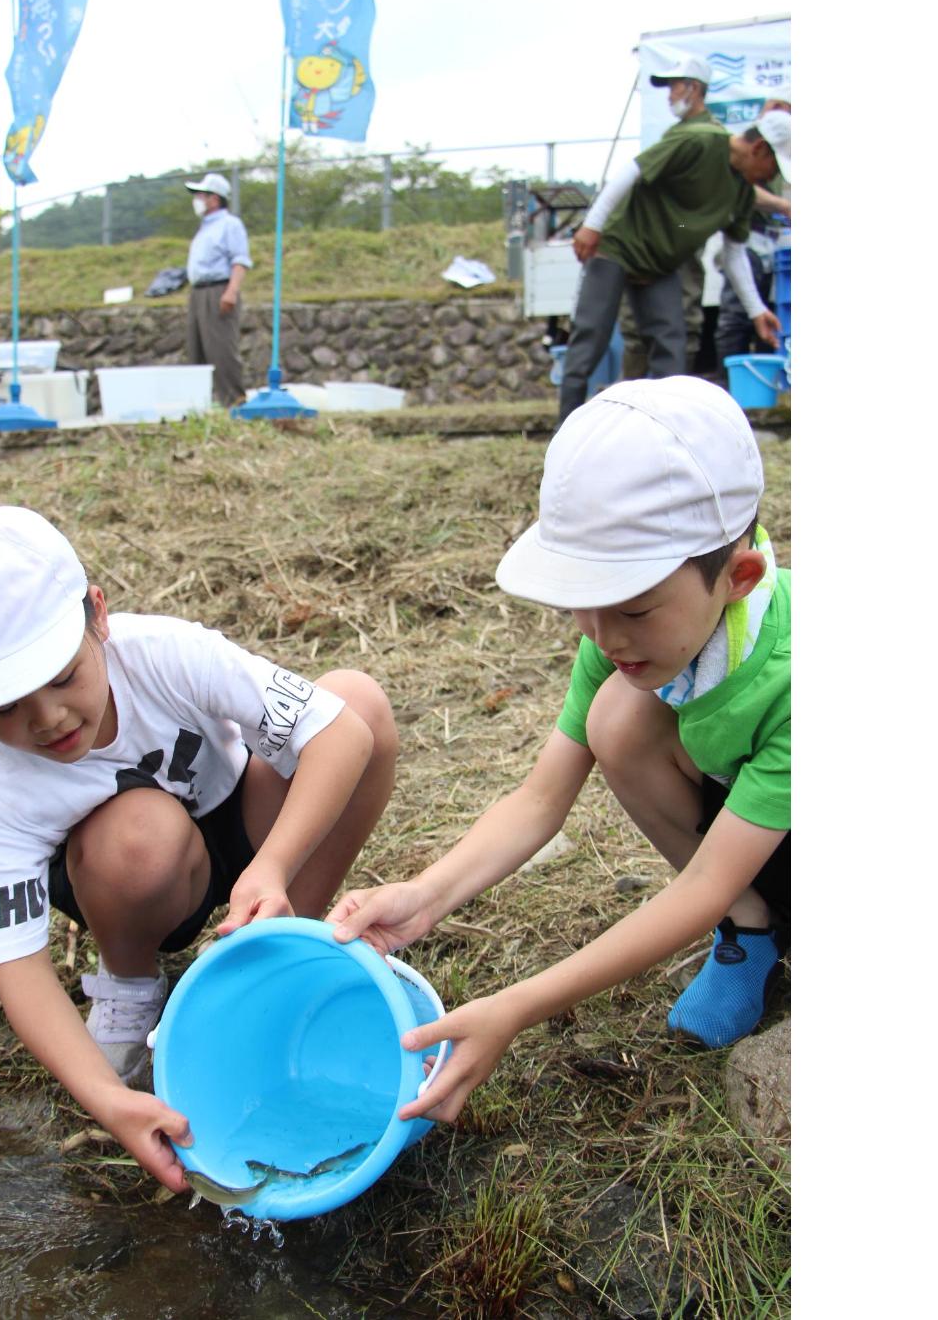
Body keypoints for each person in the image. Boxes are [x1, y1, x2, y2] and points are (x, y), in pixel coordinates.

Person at [329, 377, 791, 1124]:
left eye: (633, 607)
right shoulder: (621, 642)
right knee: (619, 718)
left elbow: (702, 881)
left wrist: (516, 1005)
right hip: (750, 833)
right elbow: (541, 799)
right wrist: (426, 895)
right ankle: (753, 931)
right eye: (583, 601)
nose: (602, 636)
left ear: (738, 578)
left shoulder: (795, 676)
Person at [0, 506, 398, 1193]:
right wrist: (107, 1100)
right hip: (129, 875)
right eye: (3, 707)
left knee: (356, 702)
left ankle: (284, 943)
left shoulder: (163, 654)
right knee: (140, 834)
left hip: (241, 824)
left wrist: (275, 863)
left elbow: (341, 735)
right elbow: (20, 969)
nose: (46, 720)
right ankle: (132, 991)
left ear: (97, 615)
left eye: (62, 676)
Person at [558, 98, 787, 429]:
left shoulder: (741, 193)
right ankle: (565, 432)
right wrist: (592, 224)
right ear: (761, 149)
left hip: (660, 265)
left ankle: (667, 434)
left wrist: (756, 310)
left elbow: (735, 254)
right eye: (775, 169)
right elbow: (632, 171)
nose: (772, 177)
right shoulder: (700, 140)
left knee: (672, 347)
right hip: (619, 246)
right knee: (590, 340)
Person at [618, 58, 718, 381]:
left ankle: (676, 401)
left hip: (682, 232)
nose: (669, 94)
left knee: (684, 319)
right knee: (636, 326)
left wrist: (683, 231)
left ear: (694, 88)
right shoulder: (675, 133)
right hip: (650, 241)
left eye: (675, 85)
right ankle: (629, 403)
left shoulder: (708, 135)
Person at [716, 102, 793, 378]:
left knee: (763, 319)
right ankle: (725, 385)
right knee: (735, 319)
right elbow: (748, 195)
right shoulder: (737, 156)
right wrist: (783, 206)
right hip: (748, 243)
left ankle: (761, 383)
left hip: (766, 244)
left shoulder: (773, 159)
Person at [182, 172, 251, 406]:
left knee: (221, 350)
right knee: (197, 350)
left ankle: (234, 401)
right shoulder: (204, 228)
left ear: (214, 198)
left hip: (219, 290)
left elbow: (240, 260)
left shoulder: (229, 225)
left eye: (200, 195)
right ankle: (201, 404)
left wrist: (231, 291)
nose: (197, 200)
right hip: (199, 292)